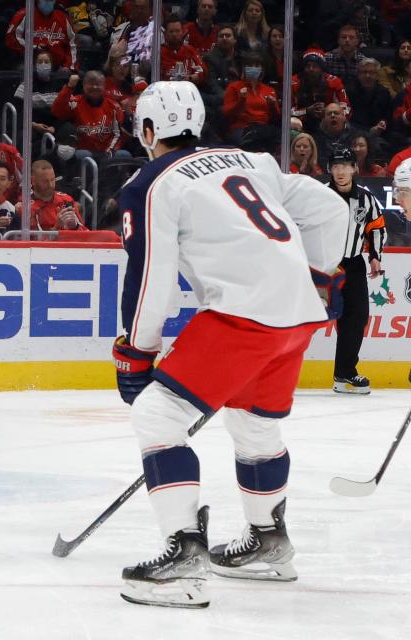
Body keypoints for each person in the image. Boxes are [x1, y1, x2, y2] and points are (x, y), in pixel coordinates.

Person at [113, 80, 347, 608]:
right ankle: (267, 543)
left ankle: (182, 560)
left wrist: (137, 351)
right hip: (297, 315)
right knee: (254, 420)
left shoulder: (150, 182)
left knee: (156, 416)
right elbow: (332, 209)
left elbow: (151, 274)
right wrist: (315, 276)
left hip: (243, 314)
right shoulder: (252, 161)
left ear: (149, 131)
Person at [326, 146, 386, 394]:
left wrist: (374, 256)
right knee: (303, 318)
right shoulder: (320, 196)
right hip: (324, 265)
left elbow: (377, 228)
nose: (340, 172)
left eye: (345, 166)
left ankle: (345, 374)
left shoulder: (366, 199)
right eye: (335, 167)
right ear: (330, 169)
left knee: (356, 318)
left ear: (354, 168)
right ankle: (271, 370)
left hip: (353, 264)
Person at [222, 51, 280, 151]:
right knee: (252, 140)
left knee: (279, 137)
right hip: (241, 128)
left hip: (264, 128)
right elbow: (227, 114)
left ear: (262, 69)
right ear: (244, 68)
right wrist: (241, 101)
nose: (253, 68)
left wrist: (272, 106)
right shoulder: (234, 87)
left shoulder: (269, 90)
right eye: (250, 65)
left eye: (257, 65)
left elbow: (276, 118)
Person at [6, 0, 78, 72]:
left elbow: (73, 44)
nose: (47, 2)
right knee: (22, 70)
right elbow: (11, 38)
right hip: (30, 64)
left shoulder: (63, 18)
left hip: (59, 66)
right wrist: (33, 47)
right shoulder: (25, 14)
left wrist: (68, 66)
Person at [16, 159, 84, 231]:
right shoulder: (25, 207)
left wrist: (75, 226)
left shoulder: (66, 200)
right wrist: (56, 228)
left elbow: (86, 235)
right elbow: (34, 240)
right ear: (33, 181)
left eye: (52, 180)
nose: (50, 185)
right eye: (45, 181)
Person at [160, 17, 206, 85]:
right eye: (171, 31)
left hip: (188, 89)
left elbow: (203, 71)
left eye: (177, 31)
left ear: (182, 32)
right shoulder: (159, 53)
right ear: (165, 34)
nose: (174, 34)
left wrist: (190, 78)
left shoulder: (190, 50)